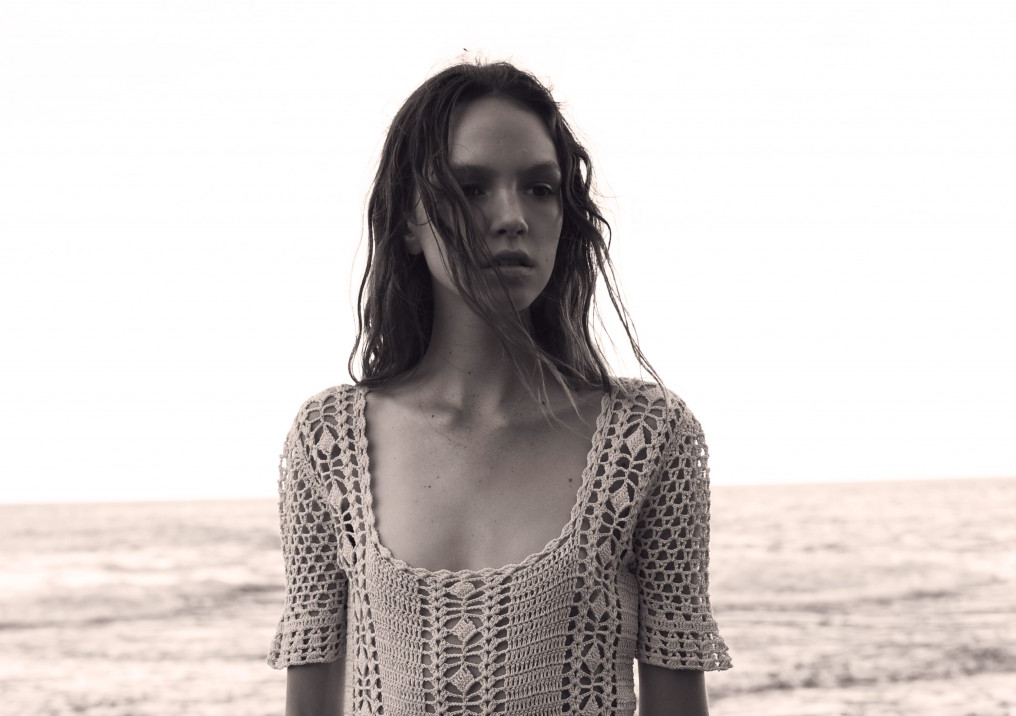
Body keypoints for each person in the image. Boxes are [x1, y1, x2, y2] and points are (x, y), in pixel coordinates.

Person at [267, 60, 732, 716]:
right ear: (408, 221)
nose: (512, 217)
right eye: (472, 187)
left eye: (540, 188)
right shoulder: (329, 442)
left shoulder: (648, 438)